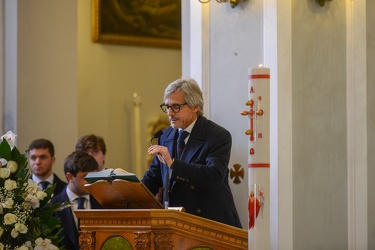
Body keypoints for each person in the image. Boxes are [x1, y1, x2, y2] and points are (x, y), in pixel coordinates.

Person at [142, 78, 242, 228]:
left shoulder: (217, 135)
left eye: (176, 107)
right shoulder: (165, 136)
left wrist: (173, 164)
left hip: (212, 225)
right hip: (179, 225)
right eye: (167, 107)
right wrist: (125, 191)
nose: (169, 113)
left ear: (196, 106)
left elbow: (214, 176)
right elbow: (152, 179)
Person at [51, 151, 102, 250]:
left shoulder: (103, 202)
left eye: (94, 177)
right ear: (70, 177)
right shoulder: (52, 207)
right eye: (86, 177)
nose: (91, 182)